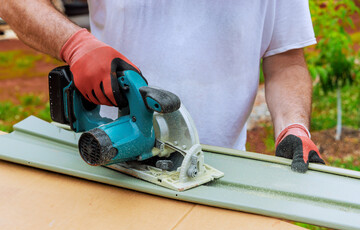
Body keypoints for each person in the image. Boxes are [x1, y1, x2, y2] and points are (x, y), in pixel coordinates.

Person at [0, 0, 325, 173]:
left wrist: (293, 128)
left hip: (220, 169)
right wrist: (75, 45)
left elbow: (286, 60)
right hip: (112, 163)